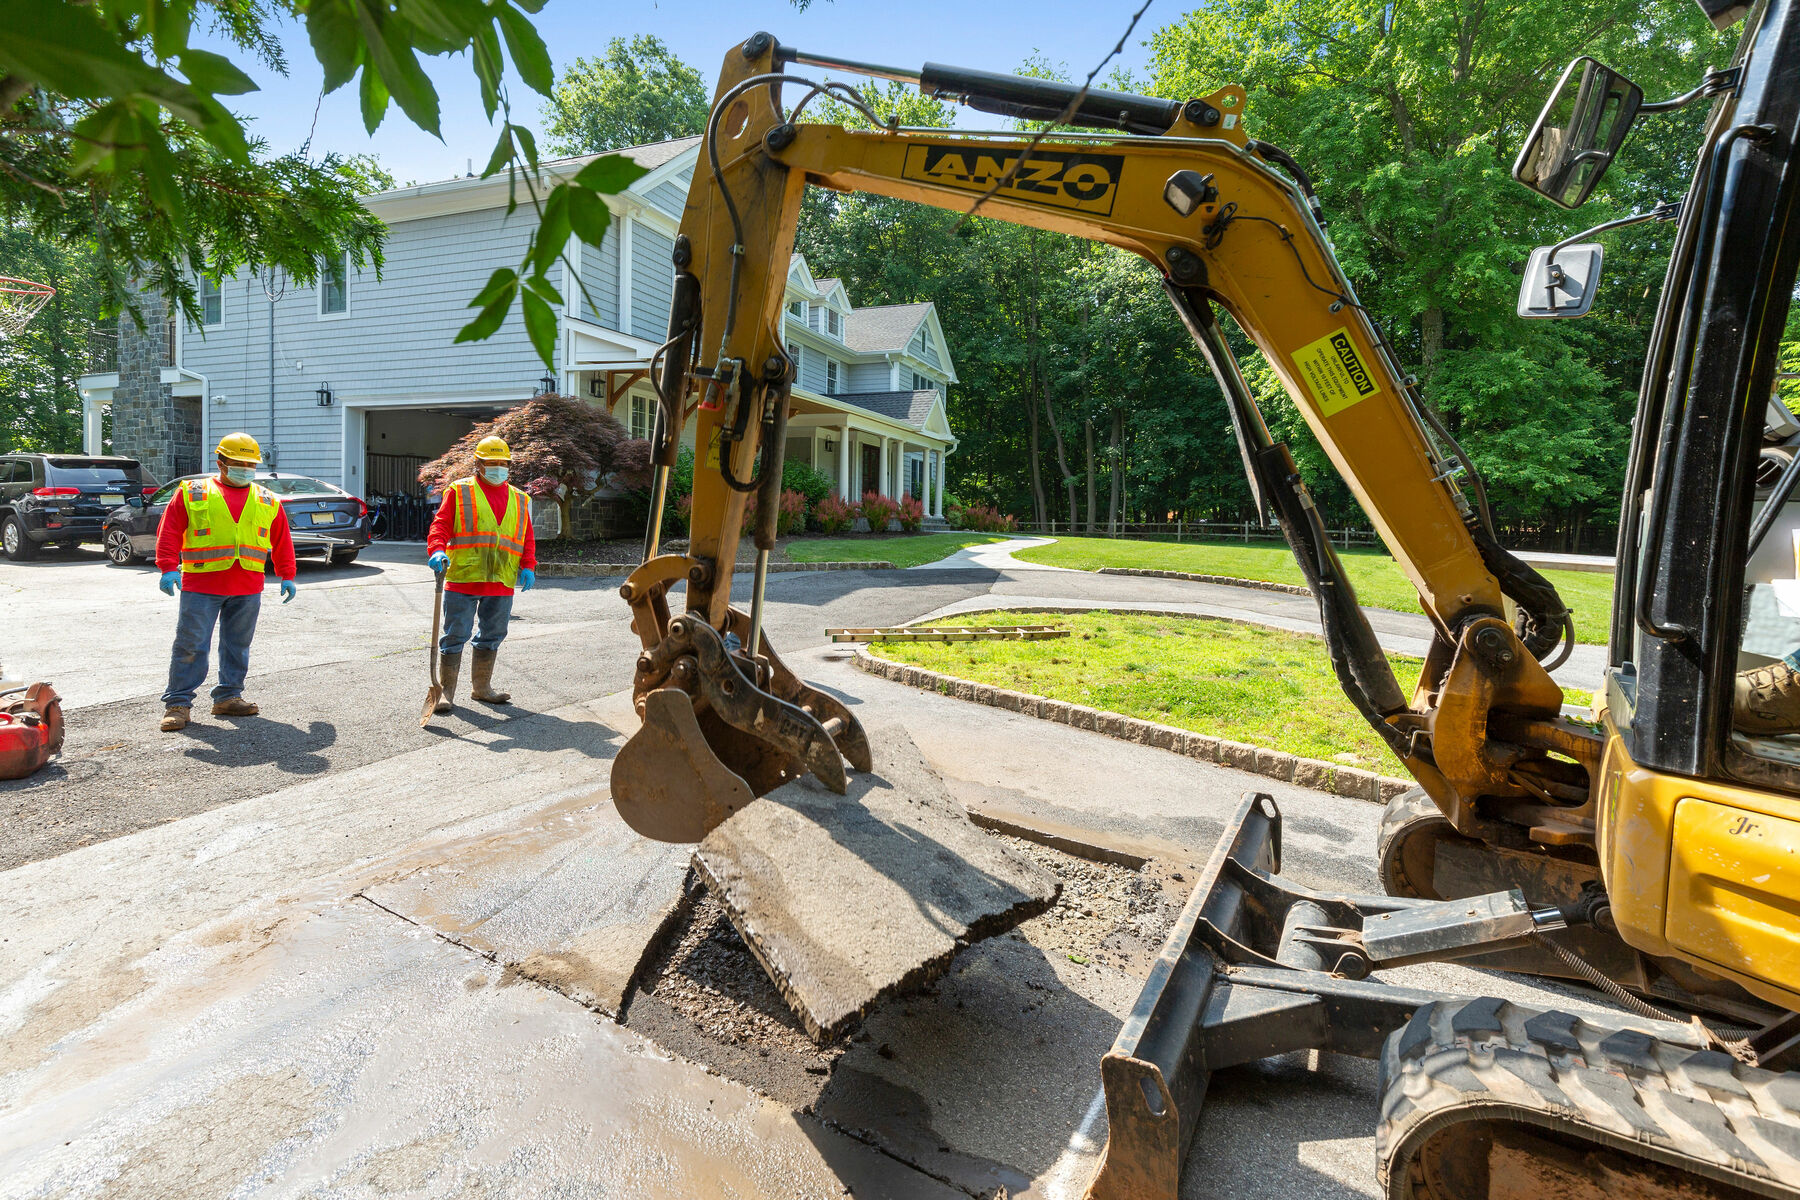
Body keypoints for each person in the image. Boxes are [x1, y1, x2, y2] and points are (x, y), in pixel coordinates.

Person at [156, 432, 298, 732]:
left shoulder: (267, 498)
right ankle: (178, 704)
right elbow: (169, 530)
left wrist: (287, 574)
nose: (245, 468)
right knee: (191, 645)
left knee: (238, 645)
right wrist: (168, 567)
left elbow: (281, 538)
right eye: (238, 462)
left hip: (247, 585)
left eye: (250, 464)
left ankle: (228, 697)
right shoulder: (193, 492)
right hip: (202, 584)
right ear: (221, 463)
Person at [424, 435, 536, 713]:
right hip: (463, 576)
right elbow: (441, 526)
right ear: (478, 463)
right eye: (491, 462)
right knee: (455, 634)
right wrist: (437, 550)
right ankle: (445, 692)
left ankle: (481, 688)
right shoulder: (459, 491)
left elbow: (526, 536)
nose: (498, 467)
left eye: (502, 462)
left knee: (493, 633)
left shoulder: (520, 499)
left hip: (501, 580)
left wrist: (529, 565)